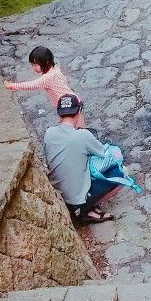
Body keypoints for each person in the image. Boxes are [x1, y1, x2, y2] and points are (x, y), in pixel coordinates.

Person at [41, 95, 117, 224]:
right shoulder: (83, 135)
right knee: (121, 172)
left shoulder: (49, 133)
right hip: (76, 199)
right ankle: (85, 209)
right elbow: (105, 154)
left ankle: (84, 206)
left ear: (59, 114)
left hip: (58, 193)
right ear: (79, 111)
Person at [5, 46, 81, 123]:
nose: (33, 67)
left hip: (68, 107)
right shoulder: (55, 69)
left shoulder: (47, 78)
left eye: (35, 65)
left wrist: (13, 85)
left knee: (74, 127)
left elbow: (32, 85)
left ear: (46, 63)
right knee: (76, 126)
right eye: (32, 64)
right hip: (72, 101)